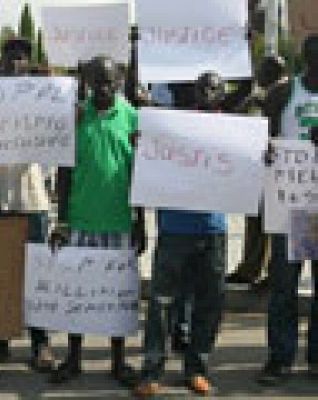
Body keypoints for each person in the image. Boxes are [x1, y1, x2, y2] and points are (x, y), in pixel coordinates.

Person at [134, 71, 231, 398]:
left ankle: (197, 368)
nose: (207, 92)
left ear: (222, 94)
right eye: (202, 87)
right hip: (174, 229)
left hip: (214, 229)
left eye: (215, 88)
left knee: (210, 302)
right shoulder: (169, 125)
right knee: (161, 303)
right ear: (192, 91)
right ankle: (152, 370)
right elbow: (139, 101)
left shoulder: (235, 130)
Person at [49, 56, 144, 386]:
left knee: (115, 296)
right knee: (77, 295)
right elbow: (63, 172)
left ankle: (118, 362)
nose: (103, 87)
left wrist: (140, 222)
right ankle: (73, 359)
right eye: (96, 81)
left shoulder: (133, 118)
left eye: (109, 81)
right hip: (79, 221)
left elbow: (140, 175)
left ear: (119, 82)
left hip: (118, 222)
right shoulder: (74, 117)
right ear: (86, 83)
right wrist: (61, 220)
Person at [0, 37, 55, 378]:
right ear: (0, 61)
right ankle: (0, 341)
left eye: (22, 58)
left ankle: (40, 343)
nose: (16, 62)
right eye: (10, 56)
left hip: (31, 201)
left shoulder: (42, 98)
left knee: (36, 276)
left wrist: (49, 84)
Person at [257, 34, 318, 386]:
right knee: (284, 287)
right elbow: (261, 137)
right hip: (289, 206)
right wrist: (266, 152)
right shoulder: (282, 94)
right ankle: (279, 358)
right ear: (304, 58)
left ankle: (316, 359)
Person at [226, 55, 289, 289]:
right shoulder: (270, 93)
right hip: (266, 164)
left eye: (261, 70)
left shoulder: (278, 92)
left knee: (265, 221)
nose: (257, 75)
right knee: (259, 219)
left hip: (276, 165)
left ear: (273, 71)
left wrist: (256, 101)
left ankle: (257, 269)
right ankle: (253, 267)